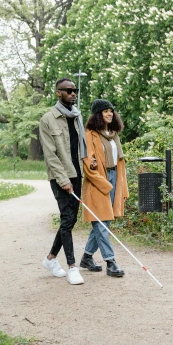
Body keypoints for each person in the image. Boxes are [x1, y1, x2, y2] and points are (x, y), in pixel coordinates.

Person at [39, 78, 86, 285]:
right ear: (58, 93)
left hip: (78, 175)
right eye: (68, 91)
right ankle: (72, 267)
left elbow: (80, 146)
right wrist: (63, 179)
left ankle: (50, 259)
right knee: (67, 219)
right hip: (61, 177)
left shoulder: (76, 116)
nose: (73, 94)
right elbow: (50, 155)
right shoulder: (48, 119)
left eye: (74, 90)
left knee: (71, 220)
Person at [78, 98, 129, 278]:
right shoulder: (90, 134)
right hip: (98, 181)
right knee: (101, 223)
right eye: (105, 111)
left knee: (103, 222)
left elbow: (120, 161)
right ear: (97, 115)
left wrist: (120, 183)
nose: (109, 113)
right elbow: (87, 165)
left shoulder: (113, 134)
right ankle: (111, 261)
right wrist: (104, 183)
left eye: (111, 111)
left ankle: (86, 257)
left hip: (115, 176)